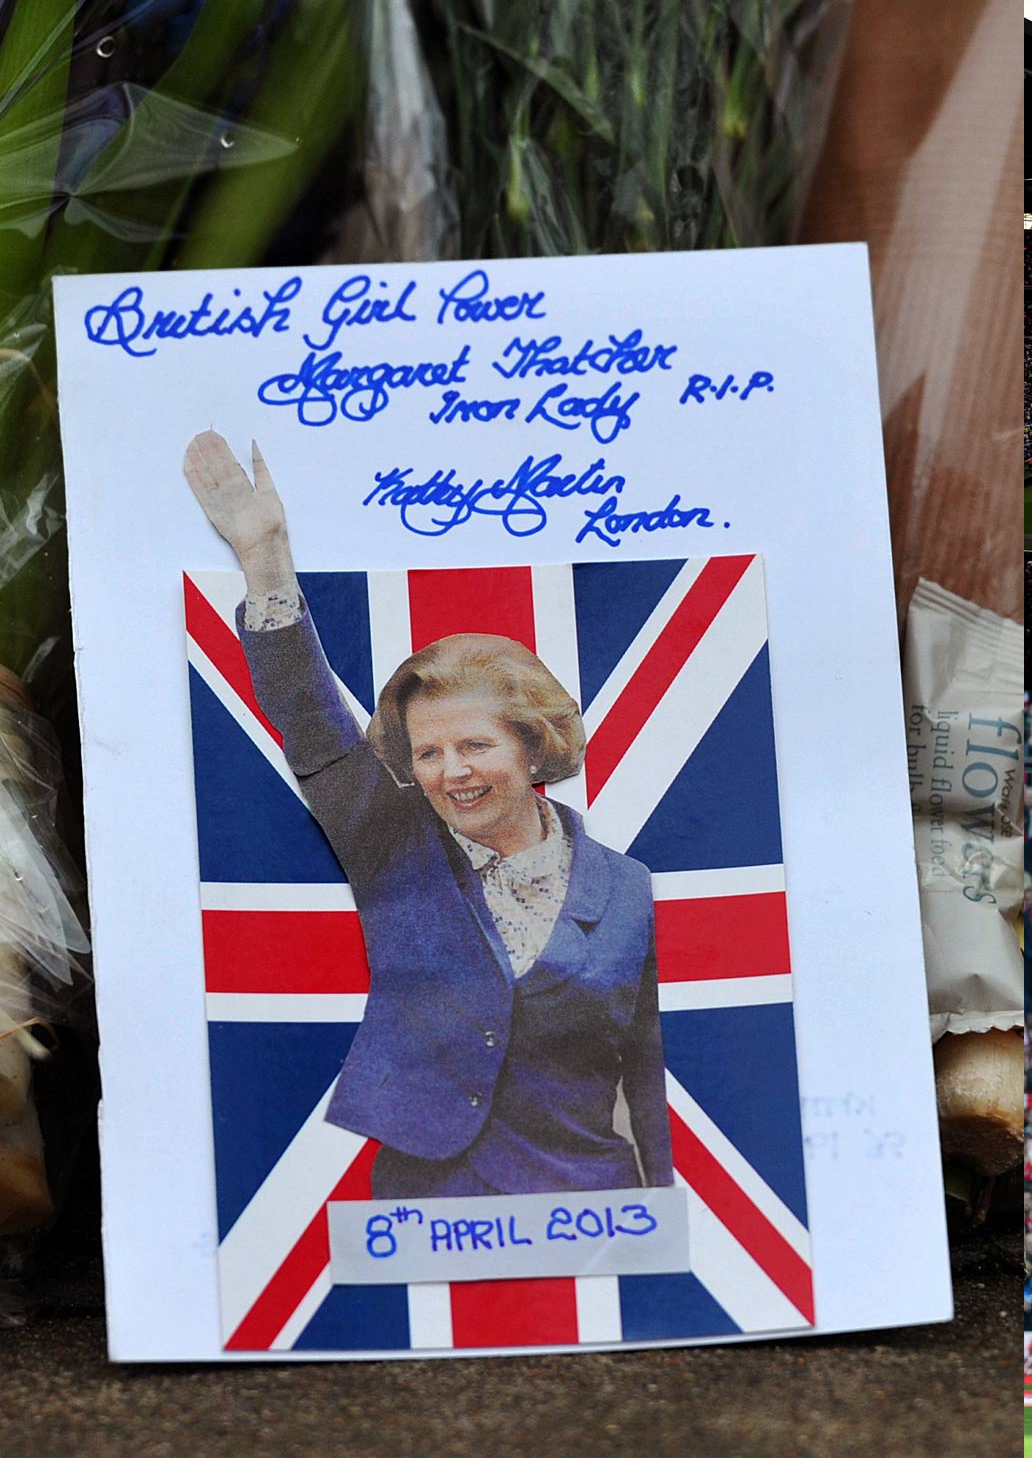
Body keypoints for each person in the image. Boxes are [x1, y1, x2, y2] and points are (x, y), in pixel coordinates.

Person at [183, 433, 671, 1201]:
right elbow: (312, 723)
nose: (452, 773)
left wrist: (661, 1207)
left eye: (475, 745)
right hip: (423, 1199)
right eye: (429, 753)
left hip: (588, 1197)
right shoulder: (390, 841)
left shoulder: (629, 887)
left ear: (535, 747)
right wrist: (265, 560)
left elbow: (648, 1069)